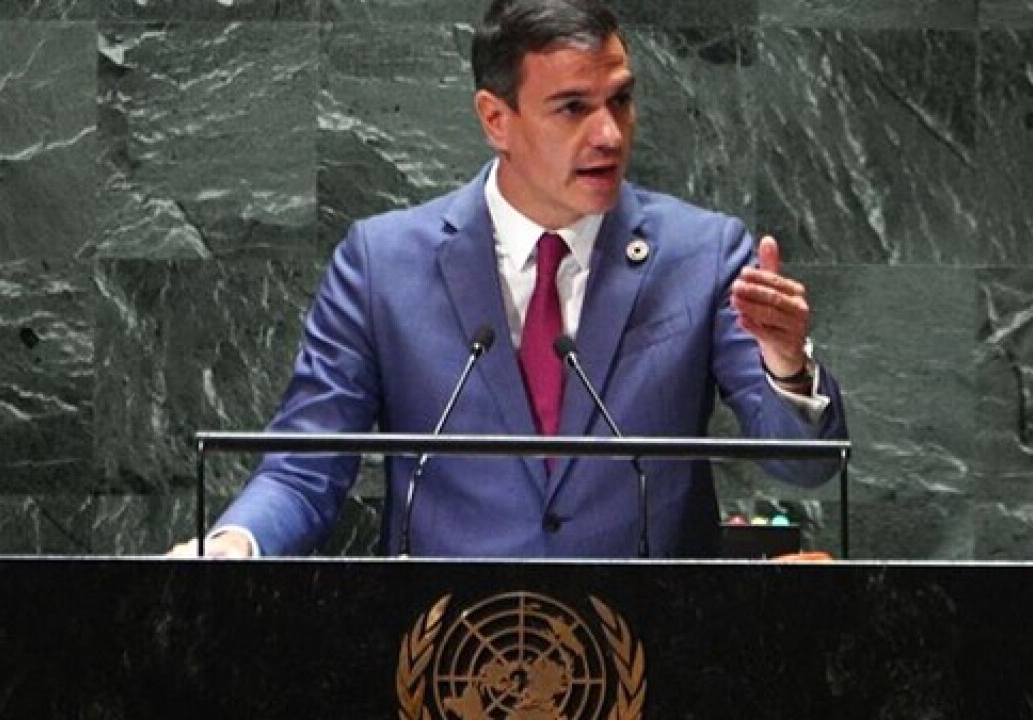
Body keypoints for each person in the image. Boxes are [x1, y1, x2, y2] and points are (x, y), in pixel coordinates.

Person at [170, 0, 847, 559]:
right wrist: (232, 545)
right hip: (447, 650)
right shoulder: (382, 264)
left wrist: (786, 366)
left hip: (646, 648)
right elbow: (304, 466)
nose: (610, 134)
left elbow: (806, 464)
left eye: (621, 100)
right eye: (573, 108)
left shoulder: (703, 254)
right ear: (497, 119)